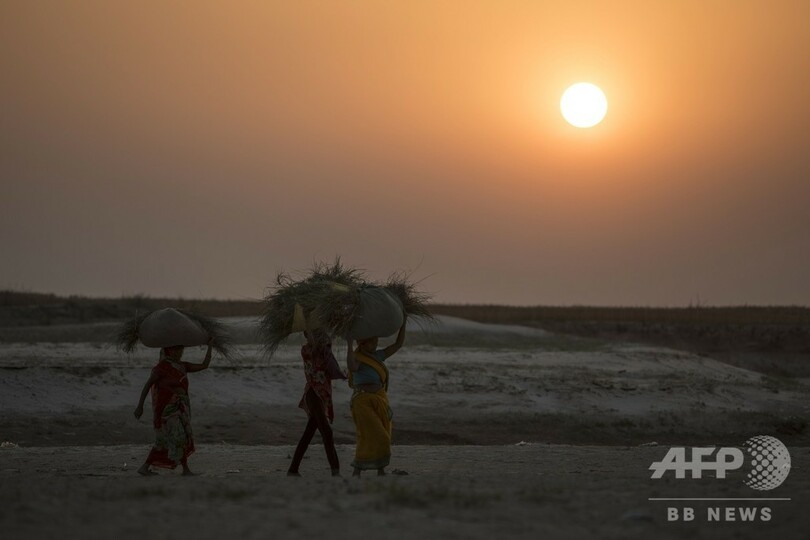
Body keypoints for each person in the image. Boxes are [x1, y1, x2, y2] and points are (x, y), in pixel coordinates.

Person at [133, 340, 213, 476]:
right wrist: (140, 406)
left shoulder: (183, 366)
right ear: (168, 351)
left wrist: (210, 346)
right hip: (167, 410)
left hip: (182, 407)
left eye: (180, 350)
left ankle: (147, 467)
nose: (178, 352)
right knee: (177, 436)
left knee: (173, 438)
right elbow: (147, 386)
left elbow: (204, 365)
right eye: (175, 350)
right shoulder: (162, 368)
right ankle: (185, 469)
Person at [345, 317, 407, 477]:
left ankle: (380, 469)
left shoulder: (378, 356)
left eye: (377, 342)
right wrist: (349, 344)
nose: (376, 345)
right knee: (371, 434)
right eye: (373, 342)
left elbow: (398, 345)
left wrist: (403, 323)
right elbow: (351, 366)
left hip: (379, 399)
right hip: (362, 401)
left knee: (385, 432)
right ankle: (357, 468)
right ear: (363, 344)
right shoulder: (358, 357)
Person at [288, 328, 346, 477]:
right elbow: (314, 352)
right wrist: (312, 334)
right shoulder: (306, 350)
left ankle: (293, 470)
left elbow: (330, 359)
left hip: (322, 396)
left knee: (308, 434)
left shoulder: (324, 349)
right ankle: (335, 471)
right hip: (313, 395)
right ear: (308, 335)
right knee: (327, 432)